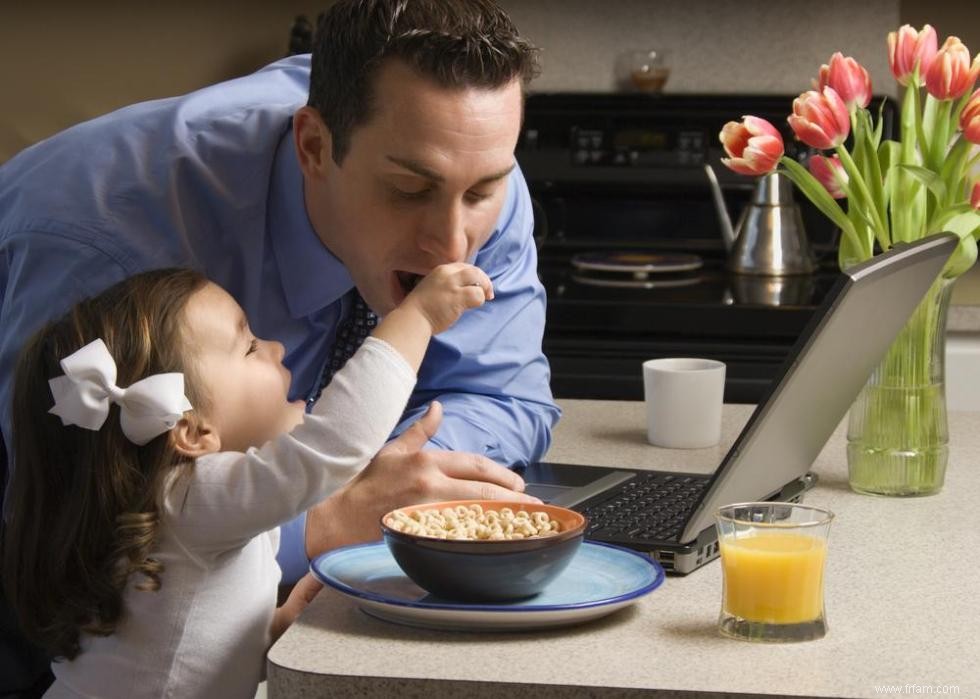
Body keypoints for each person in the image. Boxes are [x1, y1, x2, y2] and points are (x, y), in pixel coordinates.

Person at [0, 1, 558, 691]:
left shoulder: (464, 156)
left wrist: (397, 490)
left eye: (483, 190)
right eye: (409, 190)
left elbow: (504, 397)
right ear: (314, 147)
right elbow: (58, 532)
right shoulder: (104, 243)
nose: (451, 243)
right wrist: (312, 518)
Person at [2, 261, 498, 698]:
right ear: (191, 431)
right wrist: (416, 318)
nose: (278, 348)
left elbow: (174, 646)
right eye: (249, 346)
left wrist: (265, 634)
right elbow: (333, 447)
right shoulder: (189, 498)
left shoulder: (178, 504)